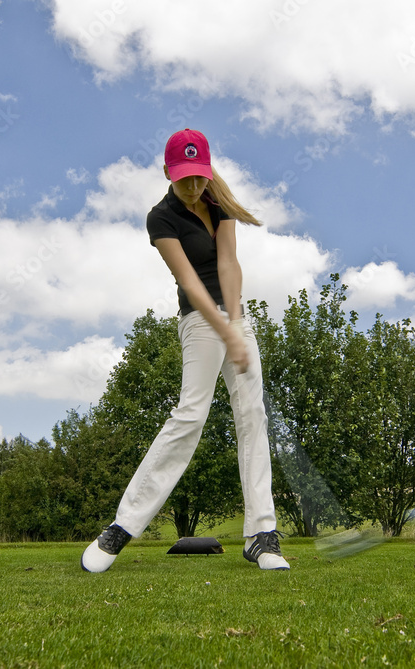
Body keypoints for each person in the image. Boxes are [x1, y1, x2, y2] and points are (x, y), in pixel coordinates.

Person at [81, 128, 289, 572]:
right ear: (167, 173)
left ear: (207, 171)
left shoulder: (218, 202)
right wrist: (224, 330)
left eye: (199, 176)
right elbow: (190, 282)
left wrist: (236, 324)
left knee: (252, 415)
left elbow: (229, 263)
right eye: (184, 179)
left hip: (234, 316)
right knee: (191, 414)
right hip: (198, 320)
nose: (193, 186)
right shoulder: (161, 218)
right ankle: (122, 526)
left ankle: (261, 536)